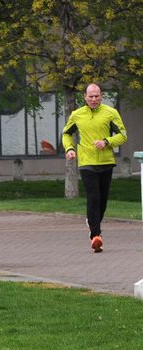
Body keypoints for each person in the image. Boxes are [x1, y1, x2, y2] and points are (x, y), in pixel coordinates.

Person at [61, 83, 127, 252]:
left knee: (103, 201)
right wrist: (69, 149)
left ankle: (92, 222)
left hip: (106, 162)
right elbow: (66, 134)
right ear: (85, 97)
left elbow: (122, 135)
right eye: (90, 96)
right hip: (86, 162)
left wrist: (106, 141)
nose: (94, 99)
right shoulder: (77, 115)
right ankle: (95, 236)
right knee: (94, 197)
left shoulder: (110, 113)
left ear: (101, 96)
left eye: (96, 96)